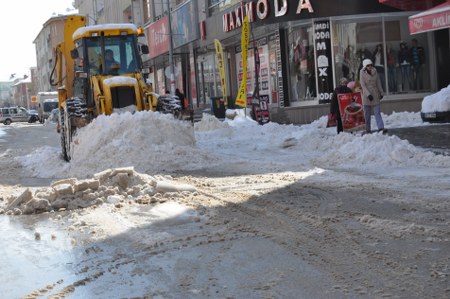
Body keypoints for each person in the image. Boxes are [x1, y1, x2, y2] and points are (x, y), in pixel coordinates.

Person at [359, 58, 386, 134]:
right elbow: (363, 85)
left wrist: (381, 93)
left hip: (375, 93)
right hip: (366, 95)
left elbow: (378, 82)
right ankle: (367, 129)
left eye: (370, 65)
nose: (370, 67)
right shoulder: (361, 72)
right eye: (368, 65)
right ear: (365, 66)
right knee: (367, 114)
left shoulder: (375, 71)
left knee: (377, 112)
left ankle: (381, 128)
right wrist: (368, 94)